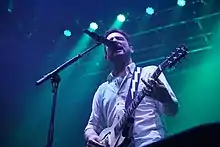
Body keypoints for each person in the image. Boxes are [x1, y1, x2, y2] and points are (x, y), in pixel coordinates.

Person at [84, 29, 179, 147]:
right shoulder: (102, 90)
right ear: (106, 56)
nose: (114, 41)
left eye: (119, 39)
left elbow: (172, 111)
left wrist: (166, 99)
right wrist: (91, 136)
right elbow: (92, 126)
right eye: (110, 41)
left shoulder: (149, 73)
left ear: (131, 48)